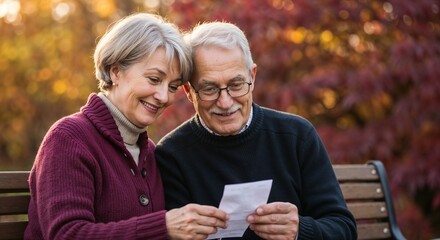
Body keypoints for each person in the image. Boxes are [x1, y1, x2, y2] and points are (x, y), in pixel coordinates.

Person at [25, 13, 229, 240]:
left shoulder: (149, 152)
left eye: (173, 86)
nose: (163, 96)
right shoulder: (69, 138)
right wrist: (163, 227)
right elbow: (67, 234)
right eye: (153, 79)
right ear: (115, 71)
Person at [155, 21, 357, 239]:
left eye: (236, 85)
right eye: (209, 89)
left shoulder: (297, 136)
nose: (225, 102)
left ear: (252, 76)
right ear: (189, 90)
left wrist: (300, 231)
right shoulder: (172, 155)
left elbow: (343, 229)